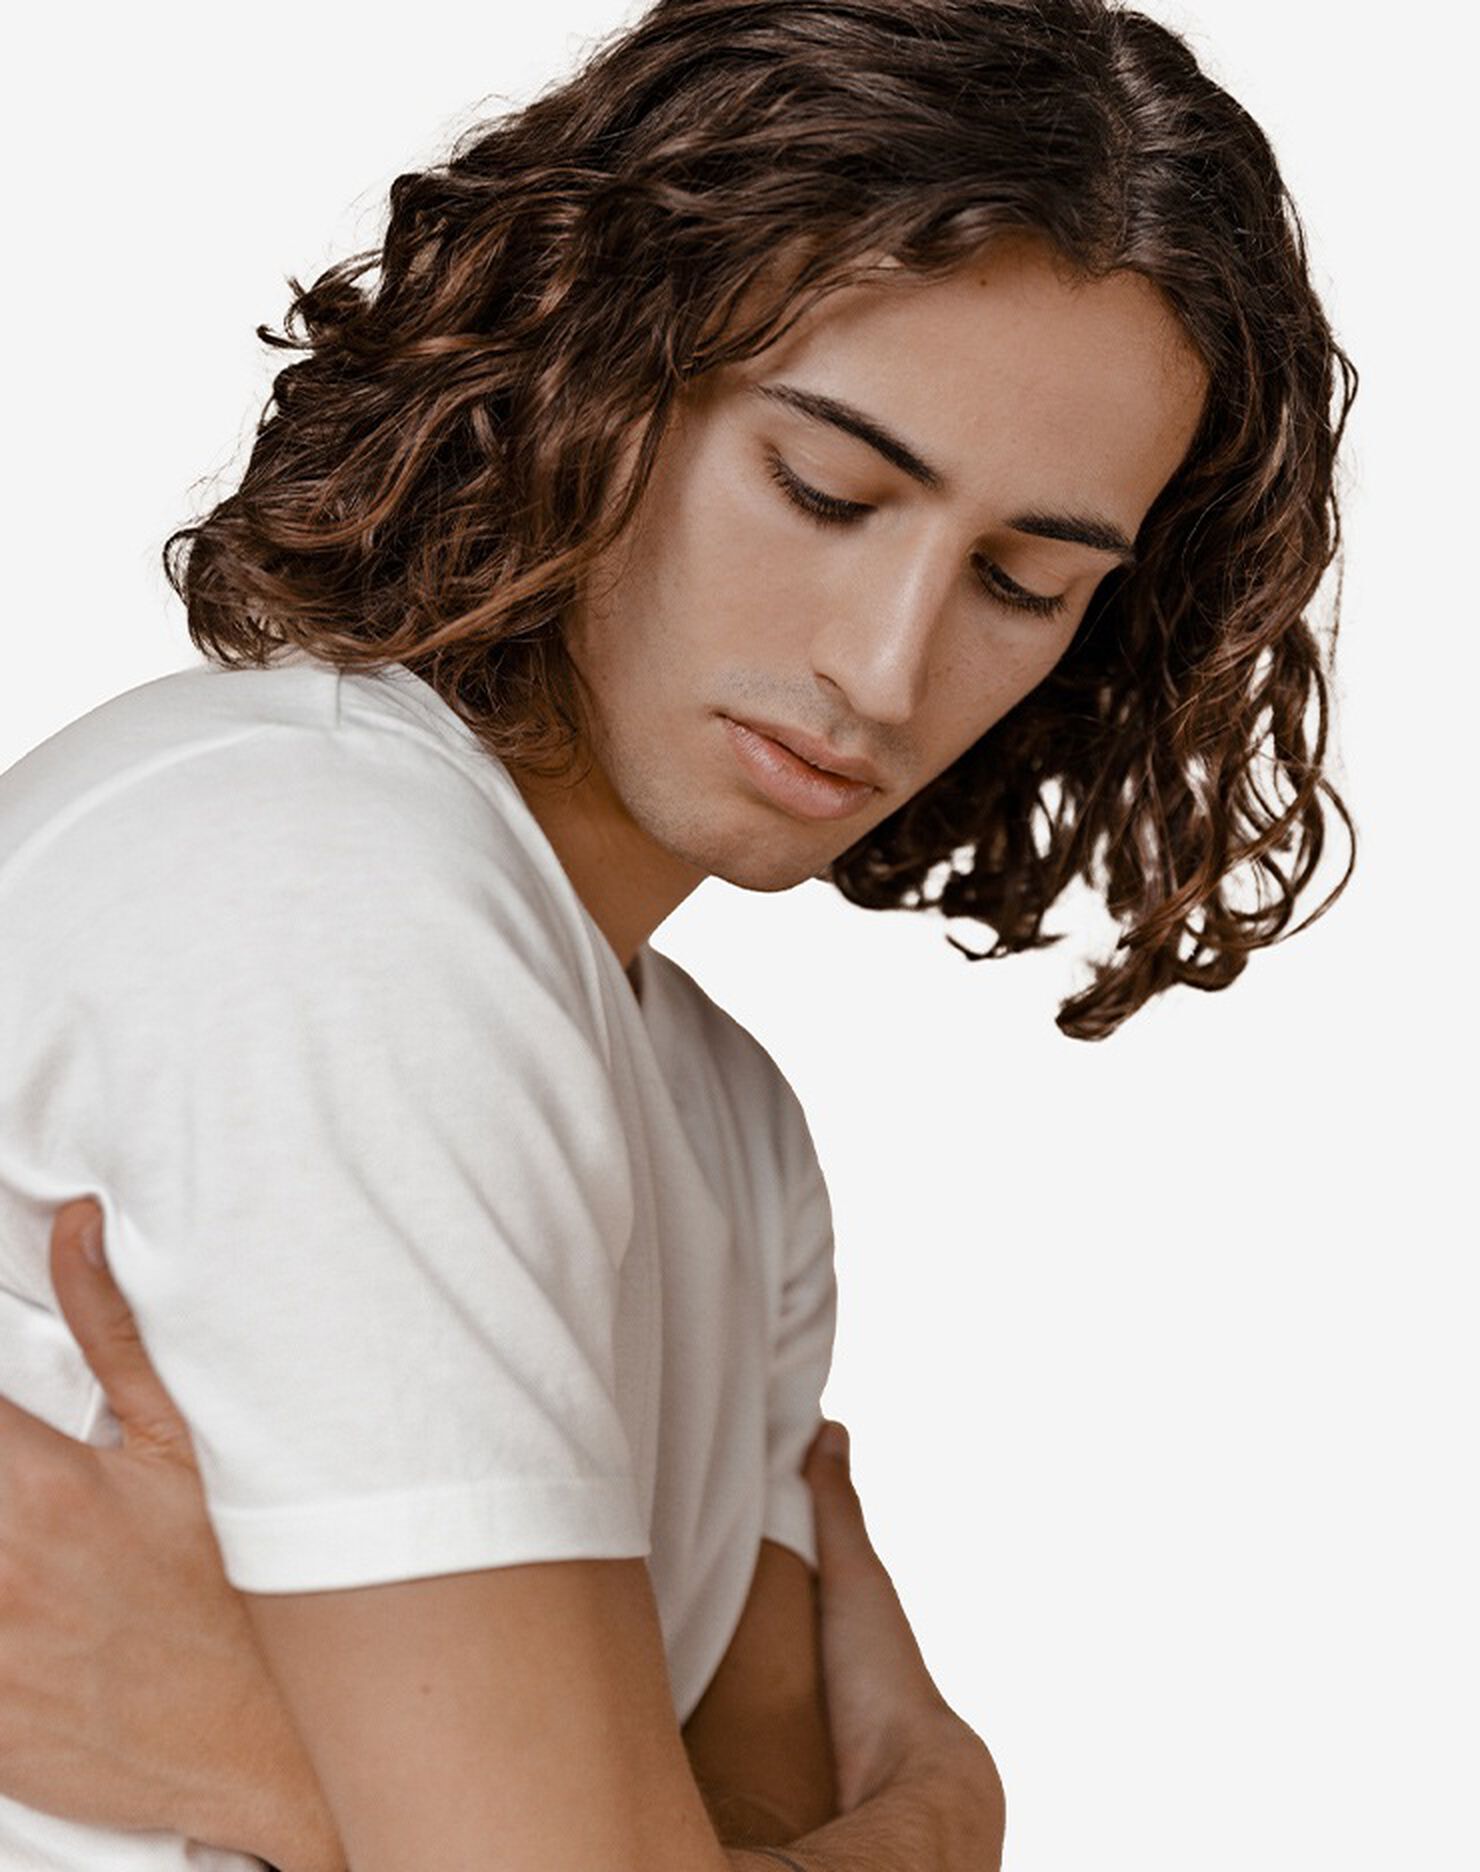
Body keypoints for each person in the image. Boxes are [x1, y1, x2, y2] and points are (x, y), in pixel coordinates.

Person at [0, 0, 1355, 1867]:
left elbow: (713, 1830)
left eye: (1024, 583)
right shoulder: (314, 881)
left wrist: (249, 1745)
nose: (886, 670)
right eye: (826, 489)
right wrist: (943, 1824)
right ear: (595, 372)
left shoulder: (734, 1136)